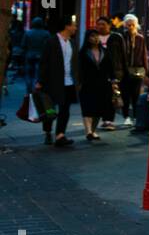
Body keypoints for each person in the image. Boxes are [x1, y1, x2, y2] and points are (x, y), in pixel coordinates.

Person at [34, 15, 79, 147]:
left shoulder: (72, 43)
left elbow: (75, 64)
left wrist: (78, 80)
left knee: (65, 109)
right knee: (49, 109)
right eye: (74, 25)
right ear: (67, 26)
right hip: (53, 81)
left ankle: (60, 135)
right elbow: (44, 62)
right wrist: (40, 80)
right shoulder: (51, 41)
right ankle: (47, 132)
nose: (75, 27)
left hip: (69, 82)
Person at [77, 25, 114, 141]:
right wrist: (78, 82)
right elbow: (78, 69)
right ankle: (88, 131)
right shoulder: (83, 53)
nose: (95, 38)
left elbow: (110, 67)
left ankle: (93, 131)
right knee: (87, 107)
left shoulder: (105, 51)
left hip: (103, 84)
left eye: (97, 36)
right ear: (88, 38)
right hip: (87, 83)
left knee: (99, 109)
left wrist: (114, 80)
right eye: (92, 36)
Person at [95, 17, 125, 131]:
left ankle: (109, 120)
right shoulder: (93, 37)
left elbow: (123, 55)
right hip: (98, 72)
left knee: (112, 96)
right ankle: (104, 119)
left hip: (114, 71)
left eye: (103, 24)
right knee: (101, 96)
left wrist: (123, 71)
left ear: (109, 25)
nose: (100, 26)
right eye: (98, 24)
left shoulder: (116, 37)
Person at [119, 13, 148, 127]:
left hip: (137, 70)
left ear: (136, 25)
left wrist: (147, 72)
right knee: (125, 95)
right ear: (125, 25)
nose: (130, 27)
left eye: (132, 25)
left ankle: (136, 117)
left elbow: (144, 55)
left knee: (136, 95)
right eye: (128, 25)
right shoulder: (121, 37)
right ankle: (126, 117)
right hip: (125, 71)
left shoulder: (140, 38)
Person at [22, 16, 50, 95]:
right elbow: (49, 46)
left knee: (29, 74)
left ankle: (29, 89)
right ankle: (35, 89)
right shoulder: (46, 33)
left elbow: (23, 45)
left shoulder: (28, 33)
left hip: (30, 55)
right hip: (41, 56)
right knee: (37, 74)